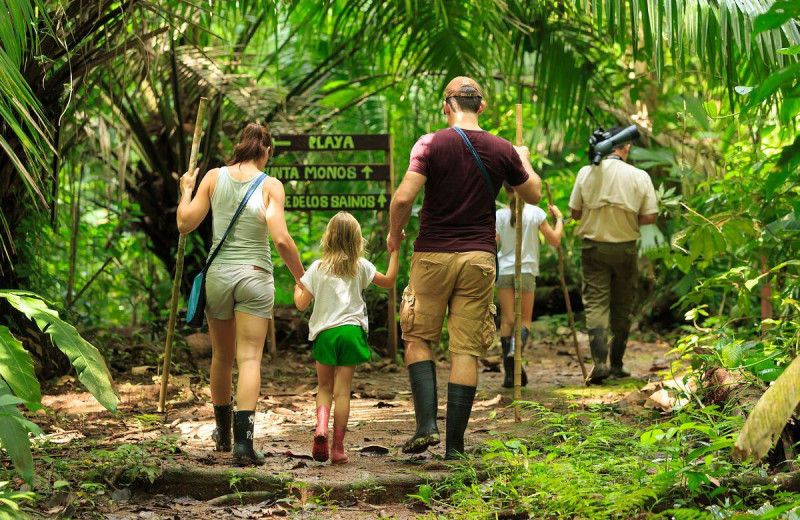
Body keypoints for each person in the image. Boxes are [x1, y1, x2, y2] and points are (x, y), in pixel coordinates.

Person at [388, 76, 542, 459]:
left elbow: (403, 197)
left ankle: (426, 425)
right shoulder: (502, 148)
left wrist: (395, 234)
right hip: (479, 258)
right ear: (482, 106)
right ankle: (454, 447)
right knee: (465, 350)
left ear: (447, 105)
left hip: (433, 256)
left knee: (419, 338)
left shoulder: (430, 143)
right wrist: (522, 160)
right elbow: (534, 193)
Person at [177, 123, 305, 465]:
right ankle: (244, 446)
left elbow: (184, 223)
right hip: (255, 277)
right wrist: (302, 278)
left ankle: (222, 434)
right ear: (265, 151)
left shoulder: (213, 178)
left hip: (218, 277)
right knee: (249, 359)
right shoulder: (271, 186)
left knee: (221, 357)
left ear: (240, 147)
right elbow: (280, 239)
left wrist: (186, 190)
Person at [294, 212, 399, 465]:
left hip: (325, 334)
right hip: (351, 332)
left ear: (328, 238)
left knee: (324, 388)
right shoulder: (361, 266)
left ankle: (321, 428)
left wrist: (298, 285)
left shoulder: (317, 268)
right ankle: (338, 449)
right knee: (342, 393)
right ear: (357, 240)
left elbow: (299, 304)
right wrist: (394, 250)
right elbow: (389, 281)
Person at [568, 126, 658, 384]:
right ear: (626, 147)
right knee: (622, 305)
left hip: (593, 249)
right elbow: (650, 216)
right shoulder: (639, 176)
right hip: (625, 249)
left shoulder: (587, 172)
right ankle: (617, 364)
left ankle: (599, 363)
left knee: (596, 303)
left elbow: (575, 214)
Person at [495, 183, 564, 388]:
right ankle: (514, 353)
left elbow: (493, 242)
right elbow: (555, 240)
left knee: (507, 320)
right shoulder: (536, 213)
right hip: (525, 271)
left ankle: (509, 375)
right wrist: (559, 219)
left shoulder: (499, 215)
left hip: (505, 271)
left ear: (505, 190)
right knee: (524, 320)